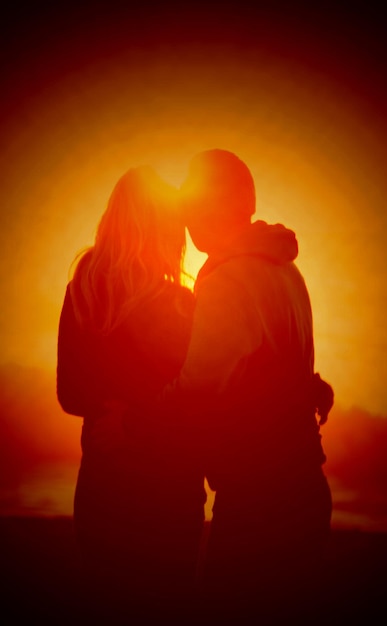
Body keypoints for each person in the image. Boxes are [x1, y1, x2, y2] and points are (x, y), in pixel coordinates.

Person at [169, 149, 334, 622]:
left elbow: (197, 386)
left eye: (193, 205)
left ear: (217, 208)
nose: (186, 218)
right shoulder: (287, 270)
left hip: (260, 502)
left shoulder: (229, 280)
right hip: (306, 487)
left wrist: (130, 423)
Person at [56, 166, 206, 622]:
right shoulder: (184, 306)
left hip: (105, 482)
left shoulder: (83, 292)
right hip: (170, 490)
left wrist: (117, 410)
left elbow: (69, 395)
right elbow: (195, 400)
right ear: (165, 227)